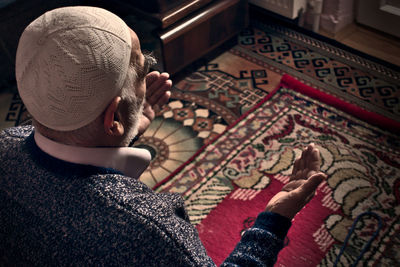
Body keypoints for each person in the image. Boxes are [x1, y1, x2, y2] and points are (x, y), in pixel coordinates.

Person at [0, 6, 326, 266]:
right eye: (142, 69)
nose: (149, 74)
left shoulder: (6, 142)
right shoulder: (149, 232)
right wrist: (273, 221)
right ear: (111, 118)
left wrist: (124, 132)